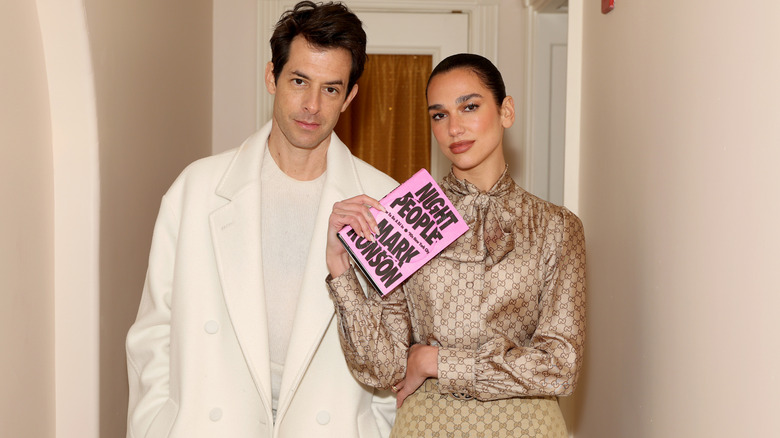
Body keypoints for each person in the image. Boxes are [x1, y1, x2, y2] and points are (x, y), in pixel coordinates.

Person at [126, 2, 398, 437]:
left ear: (350, 97)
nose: (311, 105)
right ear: (272, 77)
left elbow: (396, 348)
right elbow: (154, 334)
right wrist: (159, 425)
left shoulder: (385, 202)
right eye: (299, 81)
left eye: (331, 89)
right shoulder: (197, 188)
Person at [324, 53, 586, 437]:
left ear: (506, 110)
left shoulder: (557, 227)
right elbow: (382, 369)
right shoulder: (408, 216)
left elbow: (561, 366)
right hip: (428, 427)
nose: (454, 127)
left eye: (470, 107)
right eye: (439, 115)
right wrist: (341, 271)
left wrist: (437, 362)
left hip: (527, 429)